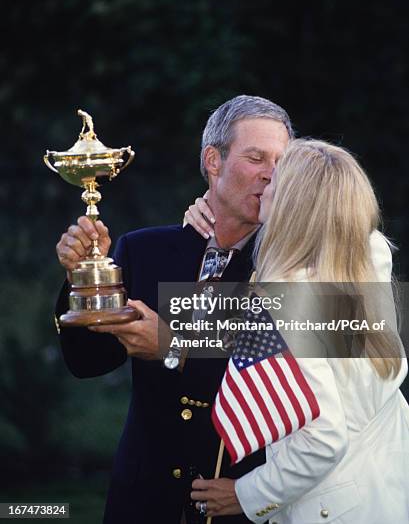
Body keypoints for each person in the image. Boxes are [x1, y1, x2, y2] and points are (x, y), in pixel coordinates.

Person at [54, 95, 293, 524]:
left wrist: (171, 344)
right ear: (213, 161)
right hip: (144, 499)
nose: (271, 173)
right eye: (256, 157)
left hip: (239, 500)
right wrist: (81, 277)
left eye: (281, 161)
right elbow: (87, 362)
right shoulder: (143, 249)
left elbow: (281, 379)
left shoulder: (290, 267)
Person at [185, 139, 409, 523]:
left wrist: (247, 494)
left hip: (326, 508)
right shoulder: (369, 255)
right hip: (384, 494)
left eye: (275, 183)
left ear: (291, 204)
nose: (266, 184)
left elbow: (322, 442)